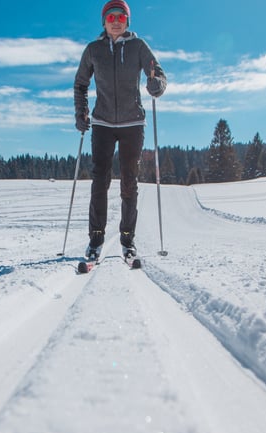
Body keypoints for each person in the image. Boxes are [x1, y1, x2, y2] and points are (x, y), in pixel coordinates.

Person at [73, 0, 166, 261]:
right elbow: (80, 84)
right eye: (111, 16)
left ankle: (127, 239)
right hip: (102, 122)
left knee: (129, 182)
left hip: (132, 123)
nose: (116, 21)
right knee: (99, 180)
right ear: (104, 21)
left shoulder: (138, 46)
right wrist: (81, 112)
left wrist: (157, 83)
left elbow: (157, 72)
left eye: (121, 16)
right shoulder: (93, 50)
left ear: (127, 21)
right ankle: (96, 238)